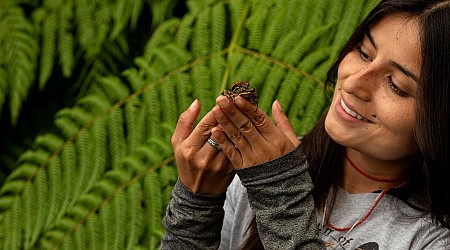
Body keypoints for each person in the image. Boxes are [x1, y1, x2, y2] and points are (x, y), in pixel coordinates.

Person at [161, 0, 450, 249]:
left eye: (397, 85)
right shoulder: (261, 168)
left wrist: (279, 194)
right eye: (363, 52)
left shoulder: (432, 238)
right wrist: (196, 204)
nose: (353, 84)